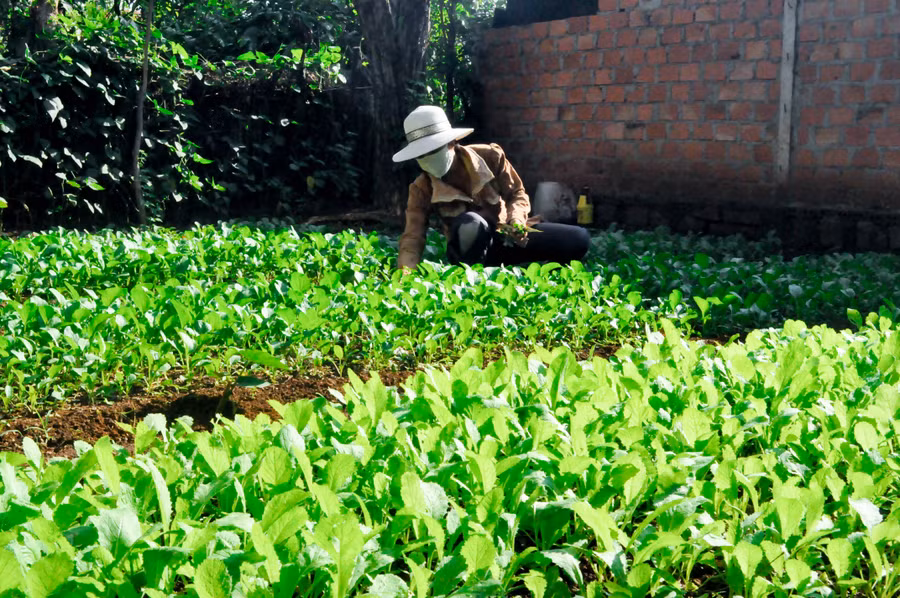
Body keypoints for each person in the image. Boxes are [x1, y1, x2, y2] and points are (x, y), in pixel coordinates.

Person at [392, 105, 591, 270]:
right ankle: (471, 275)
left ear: (451, 142)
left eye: (434, 150)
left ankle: (533, 268)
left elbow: (517, 193)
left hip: (506, 235)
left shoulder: (490, 156)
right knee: (471, 222)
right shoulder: (421, 188)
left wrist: (516, 220)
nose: (428, 158)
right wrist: (406, 272)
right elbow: (413, 235)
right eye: (421, 155)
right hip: (467, 250)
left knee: (578, 238)